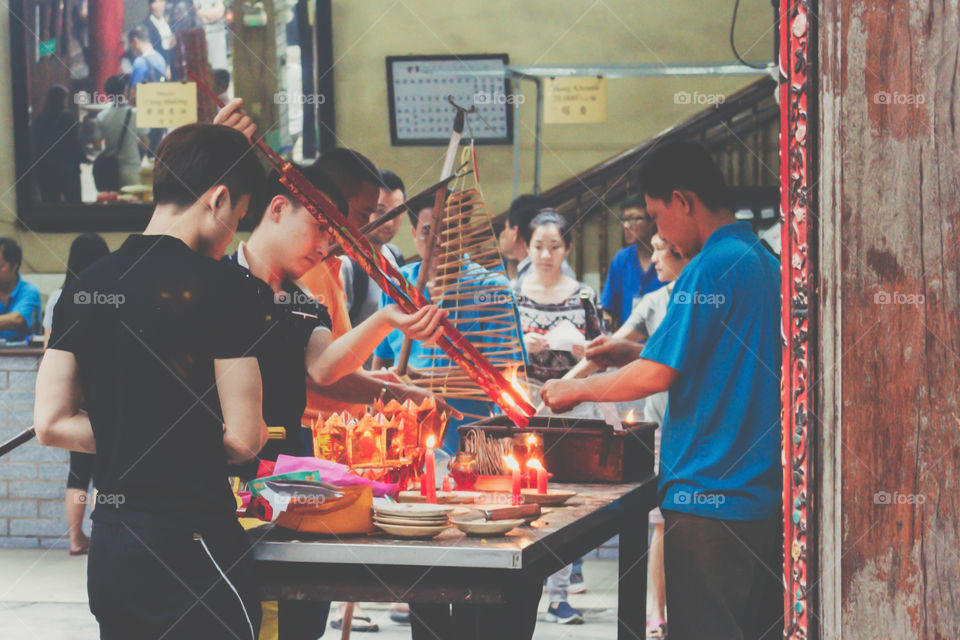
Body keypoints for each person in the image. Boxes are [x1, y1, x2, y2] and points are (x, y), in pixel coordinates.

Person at [35, 123, 270, 639]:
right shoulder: (227, 288)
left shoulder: (85, 287)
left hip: (113, 546)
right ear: (219, 198)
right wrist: (180, 438)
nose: (234, 234)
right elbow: (244, 438)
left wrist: (134, 434)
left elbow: (50, 423)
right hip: (192, 542)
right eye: (238, 218)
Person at [541, 142, 783, 640]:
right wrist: (631, 352)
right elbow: (709, 358)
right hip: (759, 501)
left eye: (656, 217)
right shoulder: (763, 259)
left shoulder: (708, 268)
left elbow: (657, 375)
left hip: (708, 501)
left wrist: (576, 391)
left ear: (683, 201)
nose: (658, 235)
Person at [224, 165, 445, 639]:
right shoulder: (216, 282)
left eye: (333, 234)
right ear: (278, 208)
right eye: (320, 227)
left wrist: (387, 319)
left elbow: (324, 367)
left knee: (302, 615)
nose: (325, 245)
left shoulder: (303, 300)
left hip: (293, 480)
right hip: (229, 486)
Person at [585, 233, 690, 639]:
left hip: (694, 428)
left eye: (661, 248)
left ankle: (683, 613)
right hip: (659, 425)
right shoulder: (653, 302)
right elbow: (618, 345)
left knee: (686, 521)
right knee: (660, 522)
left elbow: (658, 366)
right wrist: (593, 358)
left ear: (681, 249)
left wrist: (579, 387)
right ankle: (656, 613)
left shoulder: (699, 299)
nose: (654, 257)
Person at [511, 210, 595, 624]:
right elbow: (497, 350)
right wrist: (521, 345)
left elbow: (602, 350)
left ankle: (560, 593)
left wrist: (583, 352)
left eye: (554, 246)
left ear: (568, 249)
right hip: (524, 400)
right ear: (526, 247)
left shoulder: (584, 295)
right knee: (521, 490)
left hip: (570, 401)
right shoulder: (512, 293)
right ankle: (518, 583)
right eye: (538, 246)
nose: (546, 255)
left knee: (563, 496)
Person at [42, 233, 111, 556]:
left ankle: (75, 538)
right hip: (102, 388)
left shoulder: (59, 297)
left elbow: (49, 349)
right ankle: (101, 538)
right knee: (105, 467)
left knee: (78, 469)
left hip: (69, 392)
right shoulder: (110, 293)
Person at [341, 169, 406, 328]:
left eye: (396, 212)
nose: (389, 222)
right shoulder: (346, 264)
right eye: (380, 211)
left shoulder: (395, 255)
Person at [600, 194, 664, 329]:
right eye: (624, 220)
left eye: (636, 219)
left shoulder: (668, 258)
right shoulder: (621, 259)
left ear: (652, 221)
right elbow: (607, 307)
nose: (626, 226)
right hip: (626, 338)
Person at [499, 194, 575, 286]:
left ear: (516, 232)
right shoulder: (556, 266)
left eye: (506, 228)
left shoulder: (540, 271)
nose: (503, 234)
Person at [31, 85, 86, 203]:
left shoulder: (39, 119)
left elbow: (35, 144)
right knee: (73, 203)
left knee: (50, 203)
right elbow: (74, 141)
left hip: (46, 168)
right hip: (67, 168)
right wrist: (83, 157)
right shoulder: (67, 117)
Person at [92, 75, 148, 189]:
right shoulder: (135, 114)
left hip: (110, 172)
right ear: (124, 91)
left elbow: (97, 146)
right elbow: (145, 143)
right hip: (132, 170)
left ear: (107, 94)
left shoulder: (102, 117)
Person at [0, 238, 42, 342]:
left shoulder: (29, 291)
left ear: (15, 265)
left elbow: (16, 319)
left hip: (23, 351)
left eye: (0, 266)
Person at [142, 0, 176, 75]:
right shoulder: (147, 25)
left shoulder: (168, 20)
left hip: (172, 63)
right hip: (159, 66)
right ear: (150, 5)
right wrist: (166, 66)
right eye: (155, 2)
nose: (158, 5)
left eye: (161, 1)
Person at [194, 0, 228, 69]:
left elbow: (219, 12)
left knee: (219, 68)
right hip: (200, 39)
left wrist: (202, 14)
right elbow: (195, 12)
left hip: (218, 37)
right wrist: (209, 15)